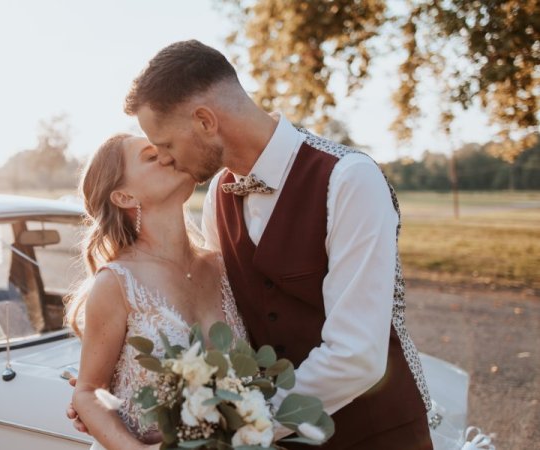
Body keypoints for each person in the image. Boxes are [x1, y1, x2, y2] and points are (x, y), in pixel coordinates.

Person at [122, 39, 434, 449]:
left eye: (165, 144)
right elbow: (228, 324)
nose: (166, 159)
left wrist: (232, 425)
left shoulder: (348, 179)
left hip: (375, 433)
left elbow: (357, 354)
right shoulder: (218, 193)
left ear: (204, 121)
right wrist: (125, 383)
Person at [66, 133, 248, 449]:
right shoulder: (117, 283)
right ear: (123, 196)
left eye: (165, 147)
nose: (169, 155)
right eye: (151, 156)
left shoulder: (222, 266)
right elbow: (88, 392)